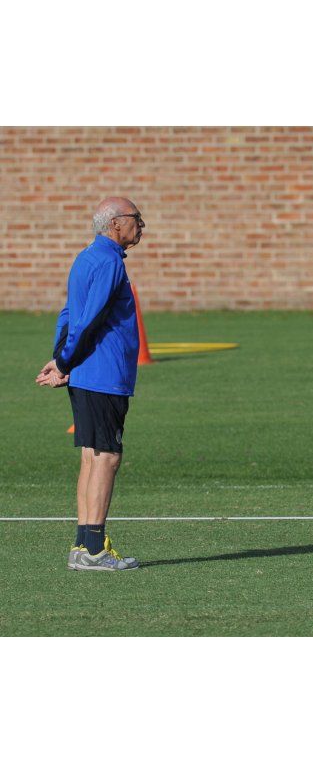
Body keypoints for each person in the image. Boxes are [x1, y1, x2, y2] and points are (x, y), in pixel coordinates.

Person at [36, 197, 144, 570]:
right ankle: (94, 550)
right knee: (106, 457)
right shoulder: (109, 262)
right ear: (116, 223)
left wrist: (61, 359)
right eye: (136, 218)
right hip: (103, 375)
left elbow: (68, 313)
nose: (141, 225)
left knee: (91, 456)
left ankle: (83, 545)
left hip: (86, 373)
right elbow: (88, 319)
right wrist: (64, 361)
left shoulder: (86, 257)